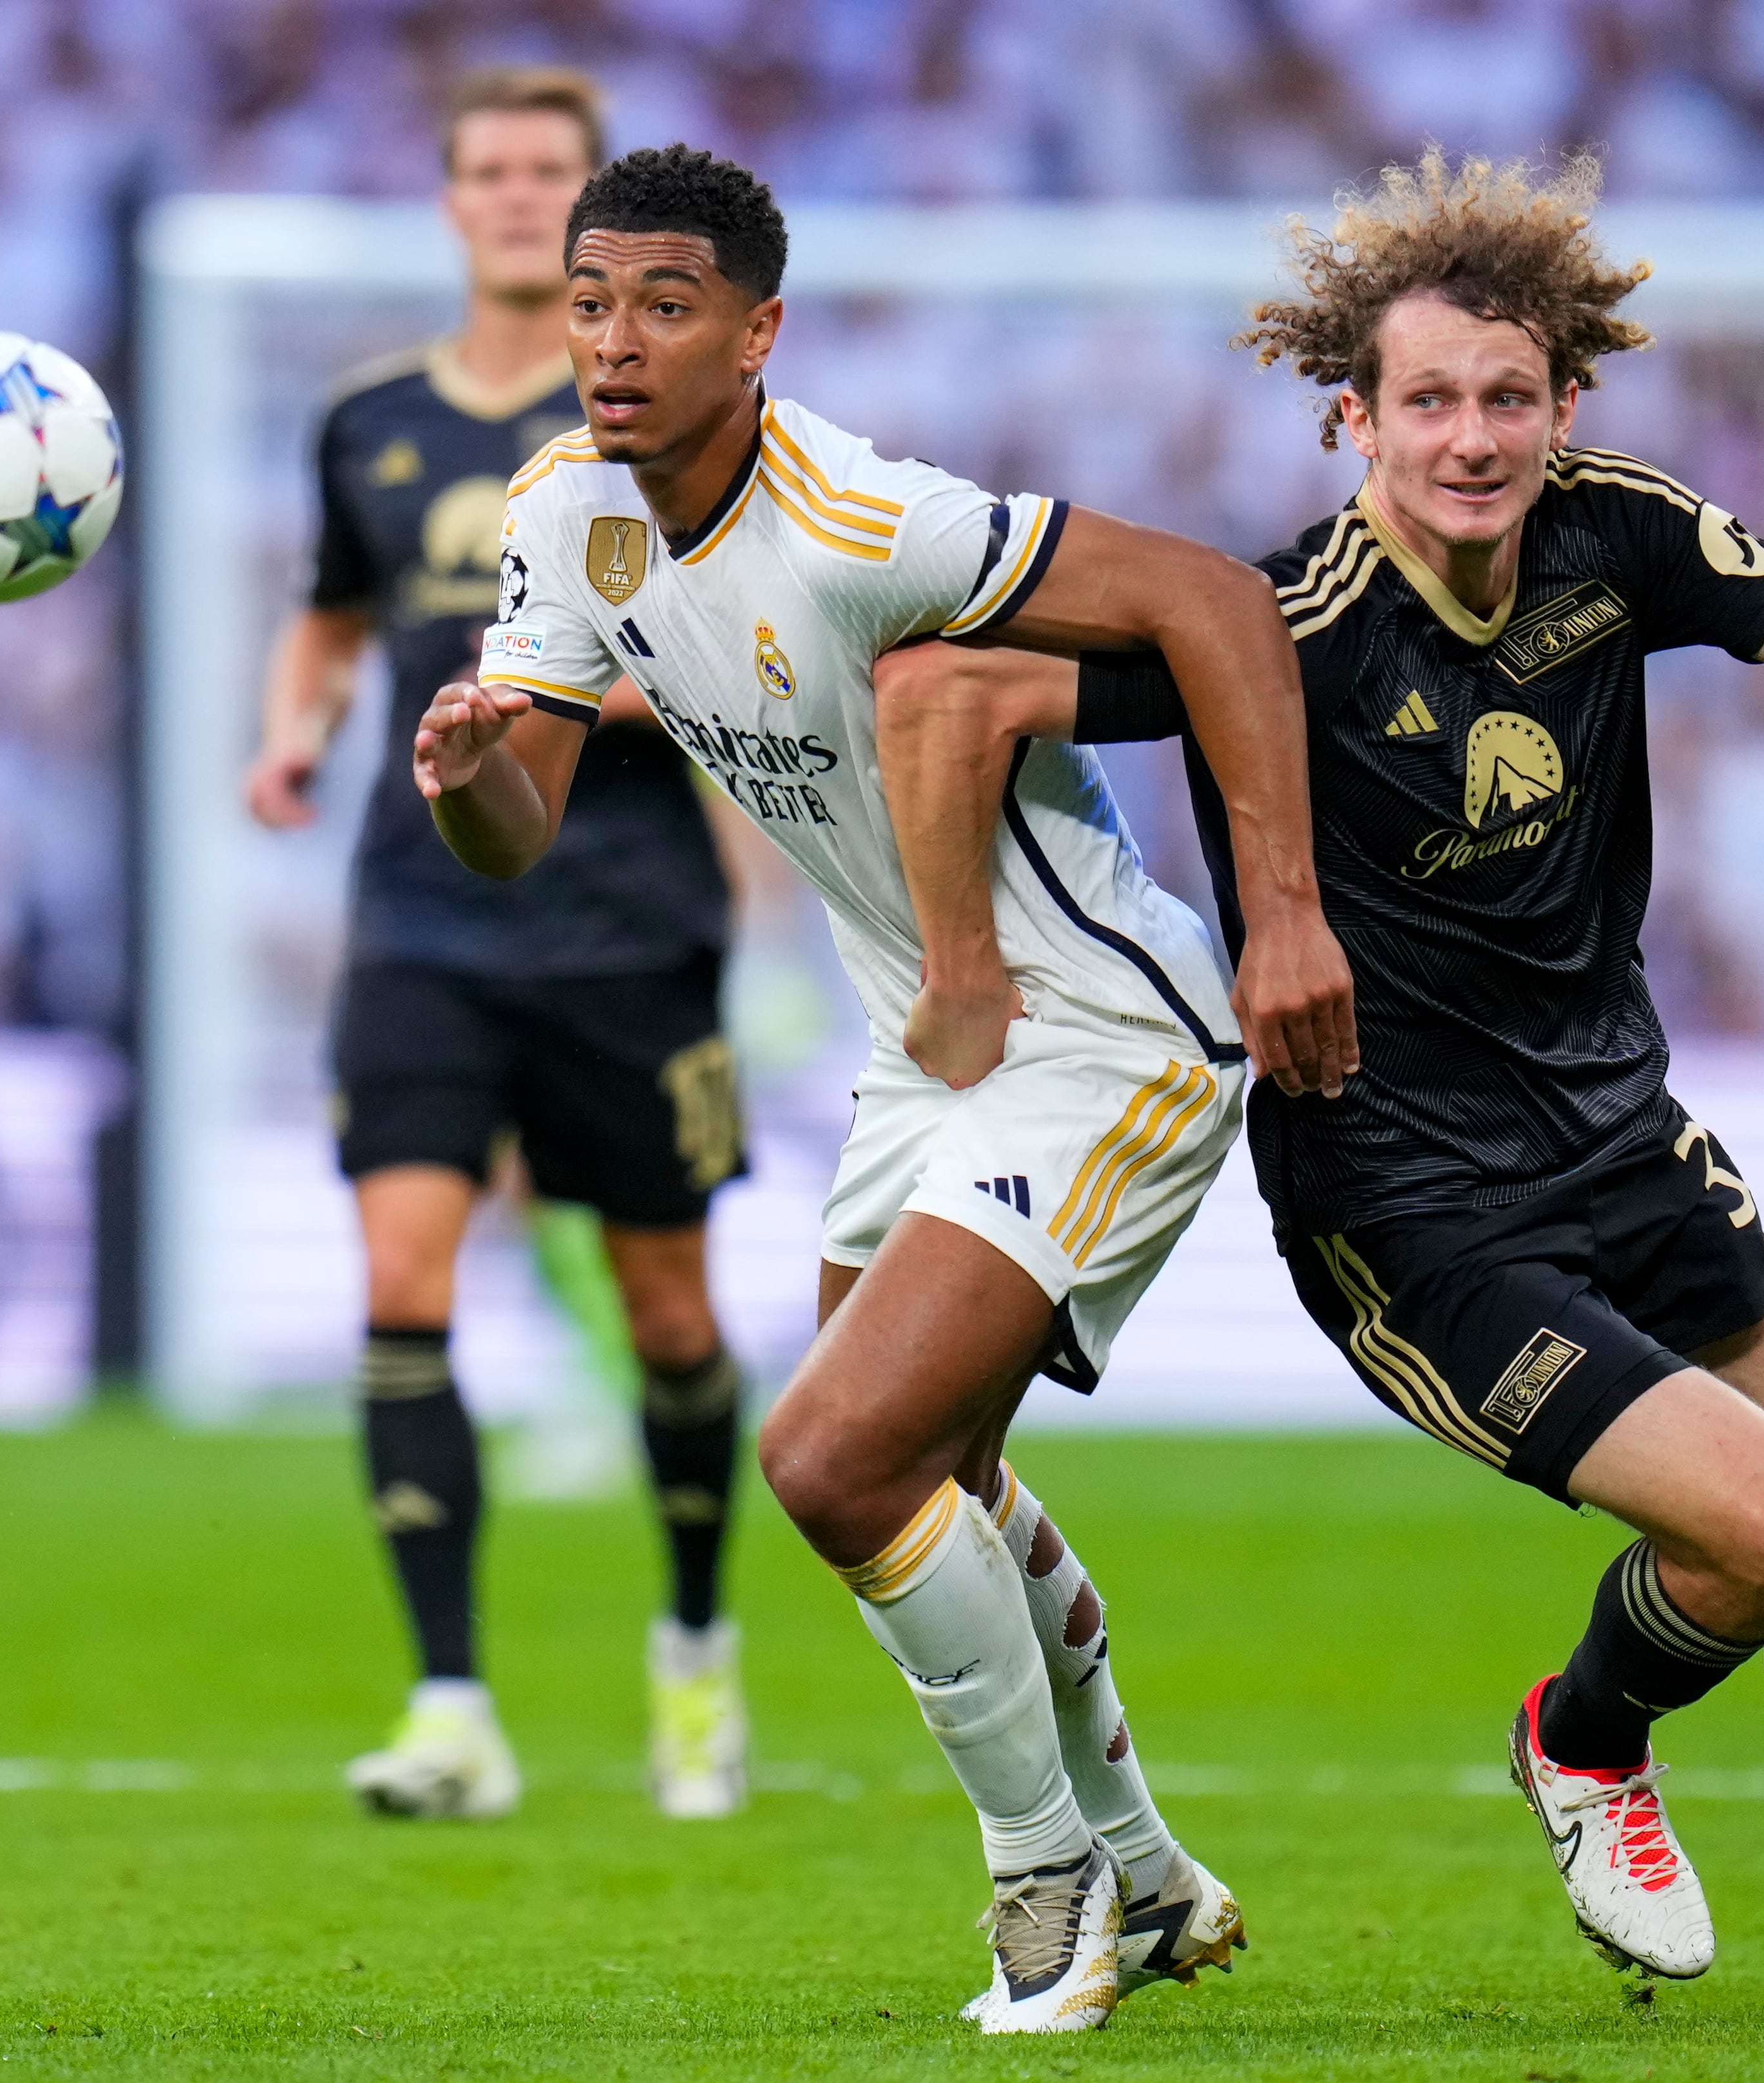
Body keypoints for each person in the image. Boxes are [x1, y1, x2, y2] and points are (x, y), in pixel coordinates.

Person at [877, 151, 1764, 2028]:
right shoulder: (1276, 625)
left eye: (1507, 399)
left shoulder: (1616, 533)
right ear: (1354, 418)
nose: (1471, 439)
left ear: (1567, 409)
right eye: (1429, 403)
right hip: (1412, 1205)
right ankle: (1581, 1736)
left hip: (1622, 1134)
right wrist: (970, 969)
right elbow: (948, 692)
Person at [413, 144, 1360, 2033]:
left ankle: (1048, 1893)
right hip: (924, 1052)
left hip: (1092, 1039)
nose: (615, 340)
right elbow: (515, 836)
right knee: (932, 1475)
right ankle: (1150, 1874)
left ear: (759, 332)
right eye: (593, 300)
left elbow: (1218, 606)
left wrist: (1285, 921)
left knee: (833, 1457)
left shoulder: (865, 520)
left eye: (666, 305)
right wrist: (464, 775)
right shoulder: (572, 518)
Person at [243, 69, 752, 1826]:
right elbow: (326, 617)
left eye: (556, 171)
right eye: (496, 170)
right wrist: (295, 731)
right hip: (421, 916)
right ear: (453, 200)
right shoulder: (369, 419)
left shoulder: (664, 422)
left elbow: (749, 634)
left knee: (671, 1314)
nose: (525, 197)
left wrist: (559, 694)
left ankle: (695, 1653)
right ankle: (451, 1704)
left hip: (625, 922)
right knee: (400, 1285)